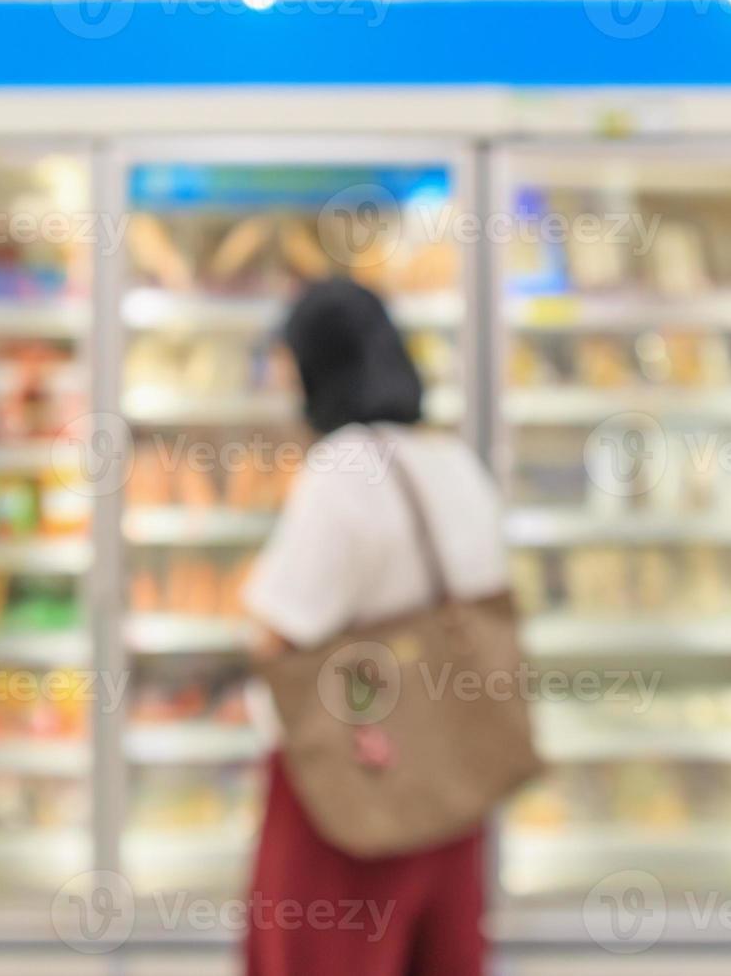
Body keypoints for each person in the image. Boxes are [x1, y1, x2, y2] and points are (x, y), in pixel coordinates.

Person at [240, 277, 508, 976]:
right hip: (453, 777)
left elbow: (278, 632)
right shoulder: (456, 464)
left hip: (351, 792)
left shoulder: (342, 470)